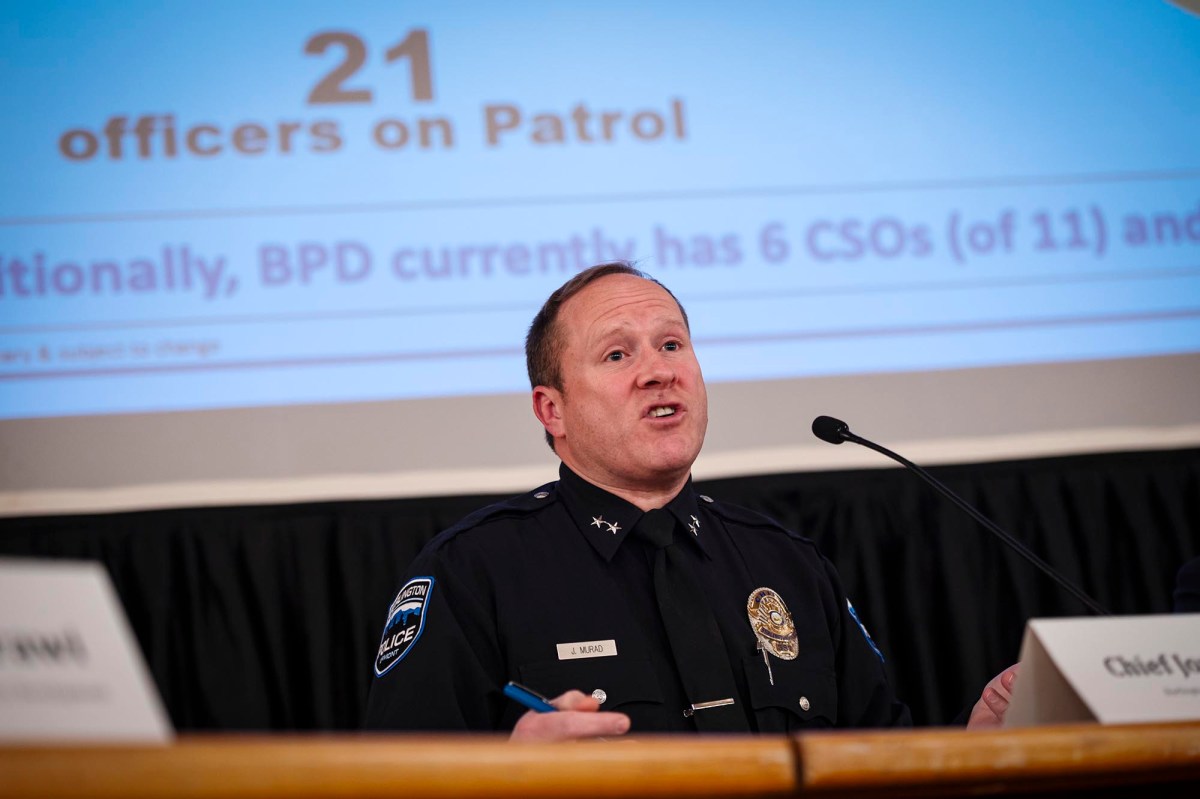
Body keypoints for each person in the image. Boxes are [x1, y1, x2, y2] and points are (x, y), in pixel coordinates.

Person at [364, 262, 1016, 739]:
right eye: (617, 353)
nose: (659, 370)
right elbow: (391, 782)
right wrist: (511, 772)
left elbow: (881, 759)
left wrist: (976, 744)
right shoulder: (474, 572)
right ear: (552, 408)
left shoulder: (787, 563)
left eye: (672, 344)